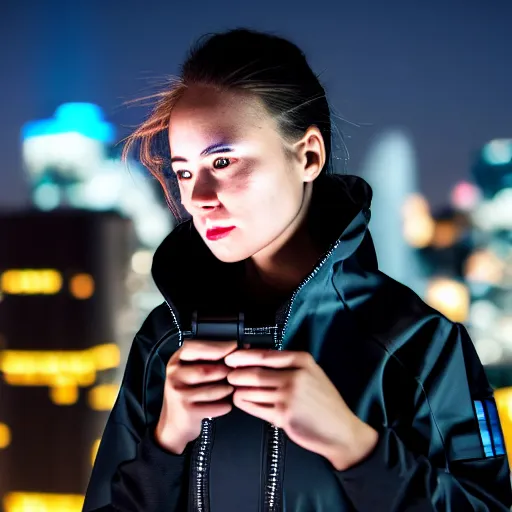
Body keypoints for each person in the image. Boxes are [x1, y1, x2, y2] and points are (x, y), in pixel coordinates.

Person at [83, 28, 512, 512]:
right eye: (184, 171)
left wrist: (355, 447)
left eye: (222, 161)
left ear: (308, 155)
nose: (198, 198)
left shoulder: (418, 344)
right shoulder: (165, 340)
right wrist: (165, 445)